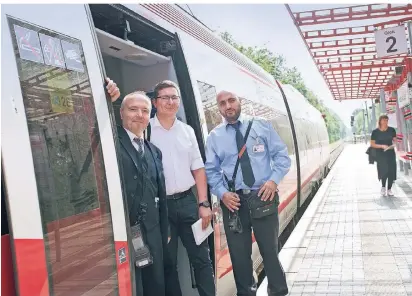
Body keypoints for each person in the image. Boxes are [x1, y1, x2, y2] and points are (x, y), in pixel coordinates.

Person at [106, 78, 216, 296]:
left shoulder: (188, 131)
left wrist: (203, 203)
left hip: (188, 204)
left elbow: (199, 169)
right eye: (165, 97)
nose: (170, 102)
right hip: (160, 210)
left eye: (174, 97)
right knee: (167, 263)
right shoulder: (145, 129)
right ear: (155, 103)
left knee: (202, 259)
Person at [204, 90, 291, 296]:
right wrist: (223, 193)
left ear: (239, 102)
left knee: (270, 252)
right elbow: (211, 171)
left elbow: (282, 157)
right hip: (233, 203)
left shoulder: (262, 126)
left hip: (263, 196)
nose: (228, 106)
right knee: (239, 258)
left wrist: (272, 181)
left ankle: (279, 292)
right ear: (219, 109)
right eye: (223, 103)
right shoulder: (215, 137)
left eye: (231, 100)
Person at [108, 88, 169, 296]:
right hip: (123, 233)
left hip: (152, 232)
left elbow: (161, 195)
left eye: (145, 111)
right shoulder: (111, 143)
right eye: (133, 109)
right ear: (121, 113)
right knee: (132, 287)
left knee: (156, 286)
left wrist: (164, 230)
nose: (139, 115)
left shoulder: (155, 152)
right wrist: (107, 95)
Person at [370, 114, 397, 196]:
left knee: (391, 171)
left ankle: (389, 189)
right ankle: (383, 187)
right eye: (384, 120)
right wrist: (382, 146)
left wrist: (395, 144)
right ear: (380, 121)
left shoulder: (392, 130)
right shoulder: (375, 132)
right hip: (380, 154)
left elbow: (395, 141)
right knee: (383, 171)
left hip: (390, 153)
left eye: (387, 120)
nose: (386, 122)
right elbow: (372, 144)